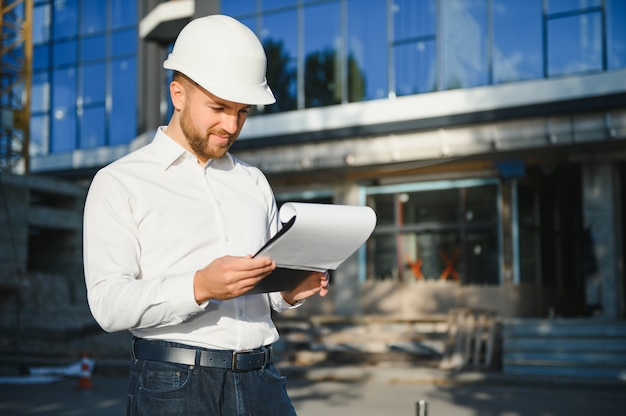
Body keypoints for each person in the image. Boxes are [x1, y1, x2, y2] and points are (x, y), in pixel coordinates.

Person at [83, 14, 329, 416]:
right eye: (218, 107)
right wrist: (199, 286)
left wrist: (288, 292)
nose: (231, 125)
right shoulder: (120, 182)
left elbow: (266, 292)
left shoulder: (253, 182)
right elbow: (109, 304)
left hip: (262, 379)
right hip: (174, 386)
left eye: (243, 111)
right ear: (177, 94)